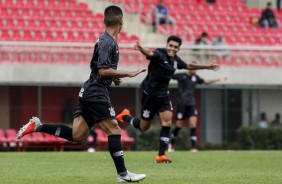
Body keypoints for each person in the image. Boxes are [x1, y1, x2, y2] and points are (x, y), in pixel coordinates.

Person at [16, 5, 146, 183]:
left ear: (104, 21)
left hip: (90, 90)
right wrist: (127, 73)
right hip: (96, 93)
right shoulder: (108, 42)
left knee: (77, 136)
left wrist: (113, 79)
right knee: (114, 130)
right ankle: (123, 174)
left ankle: (39, 126)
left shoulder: (105, 40)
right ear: (122, 21)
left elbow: (98, 68)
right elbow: (102, 71)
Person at [116, 35, 220, 163]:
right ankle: (125, 116)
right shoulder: (160, 54)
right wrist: (141, 48)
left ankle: (161, 155)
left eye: (176, 47)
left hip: (163, 95)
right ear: (167, 45)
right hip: (150, 94)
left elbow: (188, 65)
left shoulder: (176, 61)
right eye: (171, 45)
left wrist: (207, 67)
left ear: (178, 49)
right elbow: (149, 53)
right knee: (144, 127)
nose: (172, 48)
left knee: (167, 122)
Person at [168, 67, 227, 152]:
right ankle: (172, 144)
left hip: (191, 104)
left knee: (193, 124)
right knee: (178, 126)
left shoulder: (195, 77)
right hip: (181, 105)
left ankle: (193, 147)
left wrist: (218, 79)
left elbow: (205, 82)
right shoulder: (181, 76)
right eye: (194, 69)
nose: (195, 71)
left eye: (196, 69)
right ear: (189, 68)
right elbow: (169, 76)